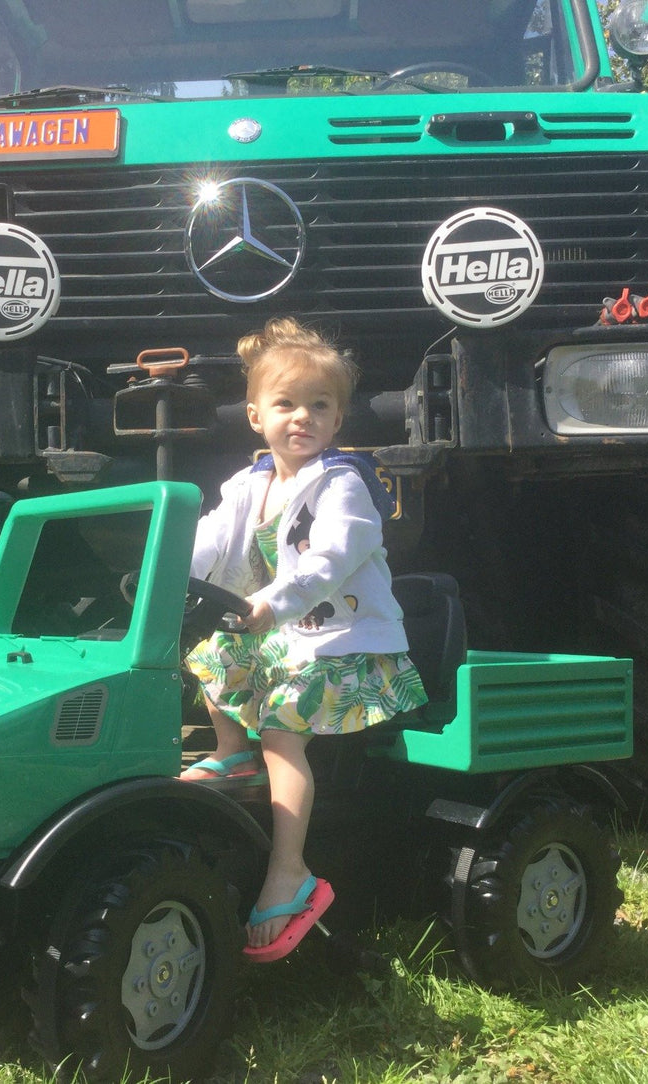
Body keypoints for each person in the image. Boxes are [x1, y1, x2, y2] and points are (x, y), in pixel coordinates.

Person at [180, 316, 427, 962]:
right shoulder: (249, 485)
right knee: (208, 658)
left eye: (320, 406)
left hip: (345, 644)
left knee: (284, 732)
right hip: (283, 637)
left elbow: (331, 559)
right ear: (255, 414)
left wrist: (273, 601)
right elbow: (206, 542)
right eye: (286, 404)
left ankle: (289, 871)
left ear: (338, 419)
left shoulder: (342, 485)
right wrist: (160, 566)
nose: (303, 418)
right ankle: (233, 750)